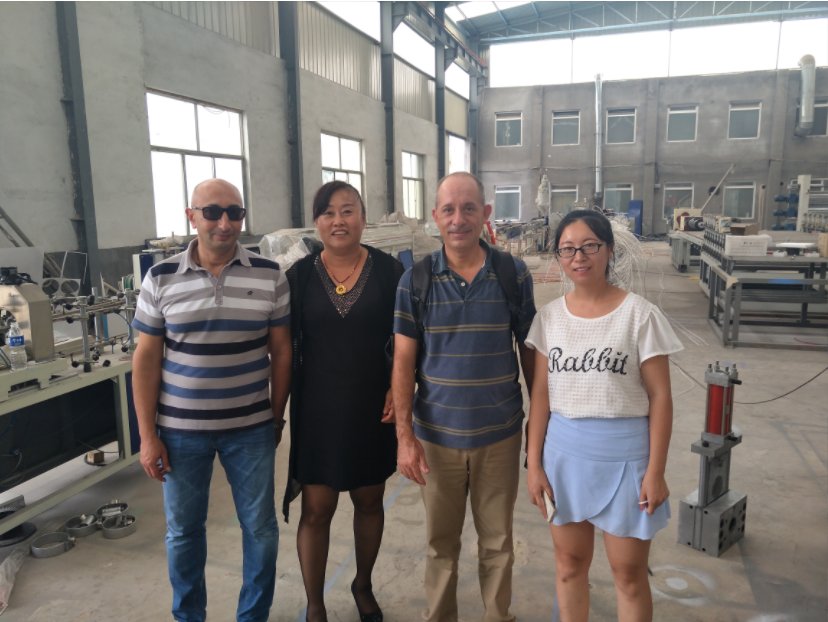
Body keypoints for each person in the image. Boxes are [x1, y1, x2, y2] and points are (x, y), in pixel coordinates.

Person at [131, 178, 291, 622]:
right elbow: (146, 360)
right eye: (213, 212)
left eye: (234, 213)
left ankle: (252, 616)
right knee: (183, 532)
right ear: (191, 217)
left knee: (260, 529)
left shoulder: (269, 275)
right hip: (181, 434)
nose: (225, 223)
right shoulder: (160, 278)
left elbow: (282, 352)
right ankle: (189, 616)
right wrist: (148, 436)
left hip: (251, 430)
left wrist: (276, 417)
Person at [524, 209, 683, 622]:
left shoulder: (640, 315)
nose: (579, 257)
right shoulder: (549, 318)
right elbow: (540, 395)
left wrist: (655, 471)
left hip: (626, 462)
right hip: (564, 461)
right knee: (569, 567)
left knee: (628, 575)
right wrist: (534, 464)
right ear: (558, 257)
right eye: (568, 249)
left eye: (589, 246)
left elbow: (661, 397)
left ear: (609, 250)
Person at [393, 172, 536, 622]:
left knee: (498, 542)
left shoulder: (513, 275)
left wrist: (540, 422)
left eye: (469, 208)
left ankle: (497, 615)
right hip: (436, 440)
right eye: (449, 210)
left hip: (500, 435)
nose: (459, 219)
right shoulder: (415, 281)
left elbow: (530, 351)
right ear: (435, 217)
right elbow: (403, 363)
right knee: (440, 545)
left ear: (485, 214)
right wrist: (405, 437)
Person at [282, 181, 403, 622]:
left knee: (369, 501)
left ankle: (362, 584)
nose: (338, 221)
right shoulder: (297, 278)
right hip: (317, 412)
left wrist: (398, 388)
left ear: (363, 218)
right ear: (316, 222)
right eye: (328, 212)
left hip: (373, 409)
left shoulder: (391, 272)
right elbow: (281, 347)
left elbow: (407, 338)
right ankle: (315, 603)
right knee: (317, 509)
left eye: (348, 210)